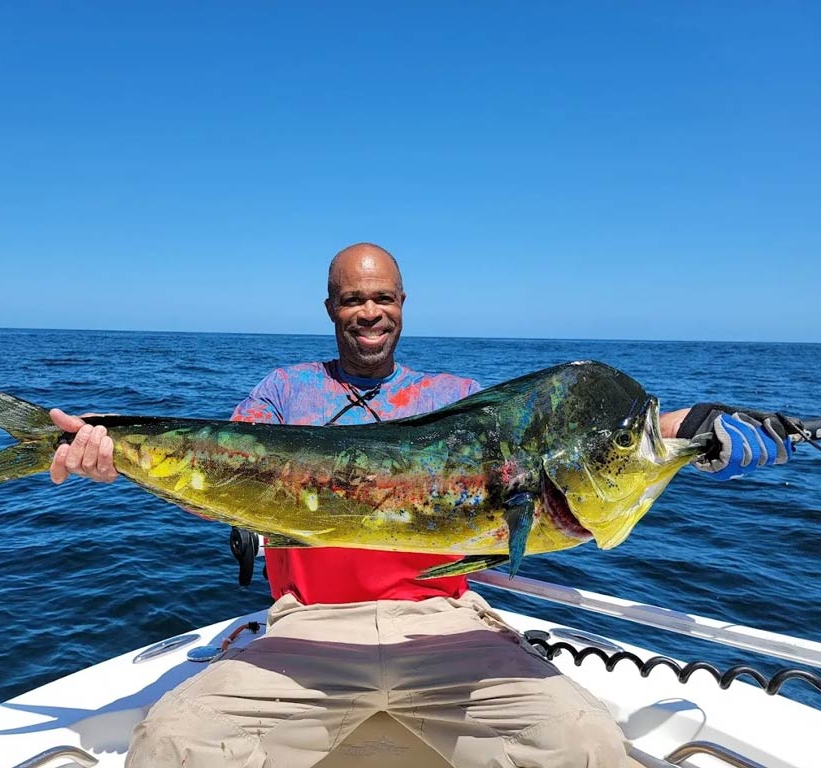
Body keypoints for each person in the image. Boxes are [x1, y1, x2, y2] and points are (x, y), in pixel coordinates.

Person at [49, 243, 793, 767]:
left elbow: (563, 442)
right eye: (352, 299)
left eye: (381, 297)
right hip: (308, 632)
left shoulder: (457, 401)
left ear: (402, 305)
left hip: (443, 628)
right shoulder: (280, 394)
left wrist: (696, 428)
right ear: (330, 308)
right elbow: (228, 493)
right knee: (169, 747)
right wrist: (117, 462)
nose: (368, 311)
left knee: (589, 748)